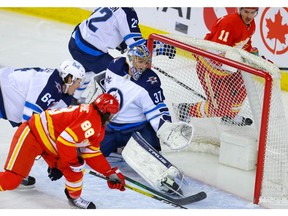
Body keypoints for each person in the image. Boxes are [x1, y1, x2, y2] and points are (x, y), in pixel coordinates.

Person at [0, 93, 125, 209]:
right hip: (33, 135)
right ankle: (18, 174)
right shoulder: (92, 121)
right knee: (11, 181)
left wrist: (109, 172)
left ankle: (74, 198)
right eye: (112, 114)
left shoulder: (96, 123)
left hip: (50, 141)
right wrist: (72, 163)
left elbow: (91, 153)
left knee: (74, 170)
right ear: (106, 113)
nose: (112, 118)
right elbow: (65, 141)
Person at [97, 45, 192, 194]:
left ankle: (165, 178)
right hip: (111, 127)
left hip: (136, 131)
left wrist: (165, 129)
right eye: (140, 61)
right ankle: (116, 147)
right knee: (89, 152)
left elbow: (157, 109)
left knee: (148, 157)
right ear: (130, 59)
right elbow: (104, 88)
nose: (144, 66)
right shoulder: (114, 66)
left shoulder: (150, 81)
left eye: (146, 61)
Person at [0, 59, 85, 186]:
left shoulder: (64, 93)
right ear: (69, 79)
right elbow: (30, 126)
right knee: (29, 133)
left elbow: (49, 129)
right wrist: (53, 161)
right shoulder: (49, 86)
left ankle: (17, 170)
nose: (79, 86)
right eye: (78, 81)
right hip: (3, 89)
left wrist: (55, 163)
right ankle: (15, 170)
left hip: (7, 96)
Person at [68, 7, 175, 102]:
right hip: (90, 52)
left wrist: (120, 42)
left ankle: (74, 100)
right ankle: (105, 108)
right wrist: (162, 48)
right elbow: (138, 47)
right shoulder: (127, 12)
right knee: (120, 79)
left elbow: (100, 22)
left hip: (75, 40)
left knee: (88, 72)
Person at [174, 7, 259, 126]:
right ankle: (185, 110)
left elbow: (245, 45)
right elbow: (215, 51)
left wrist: (252, 57)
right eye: (246, 12)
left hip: (229, 68)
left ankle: (229, 117)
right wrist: (232, 57)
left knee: (242, 88)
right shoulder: (229, 24)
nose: (249, 16)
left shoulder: (251, 24)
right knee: (221, 107)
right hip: (211, 68)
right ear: (239, 10)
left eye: (252, 13)